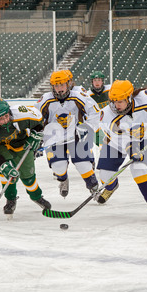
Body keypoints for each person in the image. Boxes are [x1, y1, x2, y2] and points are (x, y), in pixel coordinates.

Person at [96, 80, 147, 221]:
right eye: (114, 101)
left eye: (120, 101)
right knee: (105, 177)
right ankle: (111, 186)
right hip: (115, 142)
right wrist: (131, 148)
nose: (116, 105)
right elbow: (119, 138)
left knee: (139, 168)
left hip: (142, 138)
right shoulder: (107, 115)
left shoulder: (146, 98)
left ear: (130, 98)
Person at [0, 98, 51, 217]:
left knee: (28, 175)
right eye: (1, 119)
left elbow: (38, 119)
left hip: (21, 143)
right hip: (1, 148)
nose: (6, 121)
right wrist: (1, 165)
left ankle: (36, 197)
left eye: (6, 116)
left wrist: (36, 134)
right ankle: (10, 199)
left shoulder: (20, 113)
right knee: (9, 173)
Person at [35, 70, 100, 198]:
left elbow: (95, 113)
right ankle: (63, 179)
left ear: (68, 84)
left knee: (84, 165)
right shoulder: (45, 100)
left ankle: (94, 187)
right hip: (54, 139)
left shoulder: (79, 96)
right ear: (52, 86)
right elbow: (34, 120)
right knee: (58, 167)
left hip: (75, 136)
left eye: (62, 85)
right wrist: (37, 139)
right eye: (56, 85)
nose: (60, 89)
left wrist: (85, 129)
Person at [87, 71, 112, 146]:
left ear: (102, 81)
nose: (97, 82)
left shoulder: (110, 89)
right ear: (92, 82)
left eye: (99, 80)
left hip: (110, 120)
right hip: (97, 123)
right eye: (95, 80)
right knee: (100, 145)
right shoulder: (88, 95)